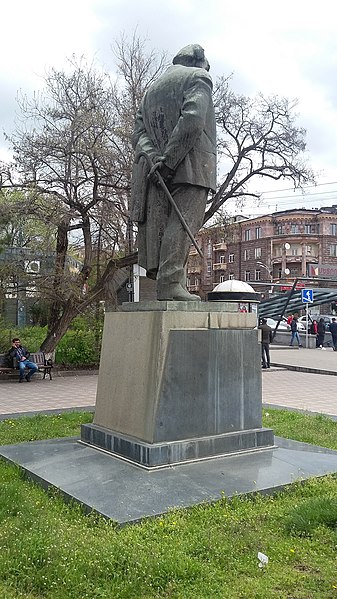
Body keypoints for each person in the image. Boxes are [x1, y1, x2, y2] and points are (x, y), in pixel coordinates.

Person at [131, 44, 217, 301]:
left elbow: (139, 135)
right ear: (199, 61)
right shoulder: (197, 77)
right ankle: (170, 282)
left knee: (166, 225)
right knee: (181, 223)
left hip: (155, 170)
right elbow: (192, 120)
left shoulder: (151, 91)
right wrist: (169, 160)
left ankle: (171, 283)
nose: (207, 70)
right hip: (191, 166)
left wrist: (156, 158)